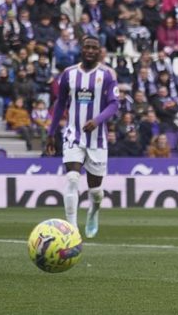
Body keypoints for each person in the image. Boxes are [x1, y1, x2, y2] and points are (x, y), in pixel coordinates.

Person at [46, 35, 119, 238]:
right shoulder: (68, 74)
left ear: (99, 51)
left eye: (93, 47)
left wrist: (97, 120)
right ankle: (71, 229)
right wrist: (51, 133)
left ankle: (94, 211)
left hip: (97, 139)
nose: (89, 50)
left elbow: (114, 104)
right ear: (81, 49)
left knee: (95, 191)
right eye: (86, 46)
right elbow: (60, 104)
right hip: (73, 135)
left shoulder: (107, 74)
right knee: (71, 178)